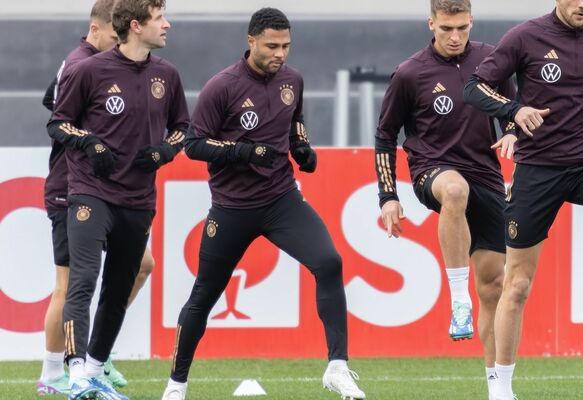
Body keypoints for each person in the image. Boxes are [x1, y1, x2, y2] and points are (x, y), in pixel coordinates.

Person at [160, 8, 365, 400]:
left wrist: (302, 147)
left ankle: (337, 367)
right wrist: (243, 152)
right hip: (231, 207)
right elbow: (193, 144)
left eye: (286, 46)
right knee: (204, 295)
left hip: (281, 200)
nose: (280, 53)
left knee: (329, 261)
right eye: (272, 45)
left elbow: (294, 121)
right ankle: (176, 384)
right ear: (250, 41)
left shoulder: (293, 80)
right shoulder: (223, 86)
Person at [463, 0, 583, 398]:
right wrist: (515, 111)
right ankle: (500, 387)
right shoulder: (524, 36)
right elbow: (474, 87)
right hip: (538, 171)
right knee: (516, 286)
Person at [47, 0, 189, 398]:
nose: (167, 25)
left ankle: (93, 372)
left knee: (117, 286)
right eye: (160, 18)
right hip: (91, 193)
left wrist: (166, 151)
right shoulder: (88, 70)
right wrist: (89, 142)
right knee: (84, 279)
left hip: (139, 198)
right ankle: (74, 372)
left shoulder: (168, 75)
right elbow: (58, 123)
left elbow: (183, 129)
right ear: (134, 25)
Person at [374, 0, 515, 397]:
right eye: (447, 28)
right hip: (433, 172)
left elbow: (512, 111)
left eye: (463, 28)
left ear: (472, 23)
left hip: (487, 178)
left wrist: (512, 132)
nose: (455, 37)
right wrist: (388, 195)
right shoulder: (410, 73)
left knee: (494, 287)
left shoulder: (492, 61)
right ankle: (457, 302)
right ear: (431, 23)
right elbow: (385, 136)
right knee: (454, 190)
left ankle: (499, 388)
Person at [37, 0, 154, 394]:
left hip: (106, 189)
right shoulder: (80, 64)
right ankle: (54, 373)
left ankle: (94, 354)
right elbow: (58, 116)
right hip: (72, 186)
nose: (120, 42)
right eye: (115, 35)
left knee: (142, 265)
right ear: (97, 29)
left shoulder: (101, 64)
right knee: (69, 285)